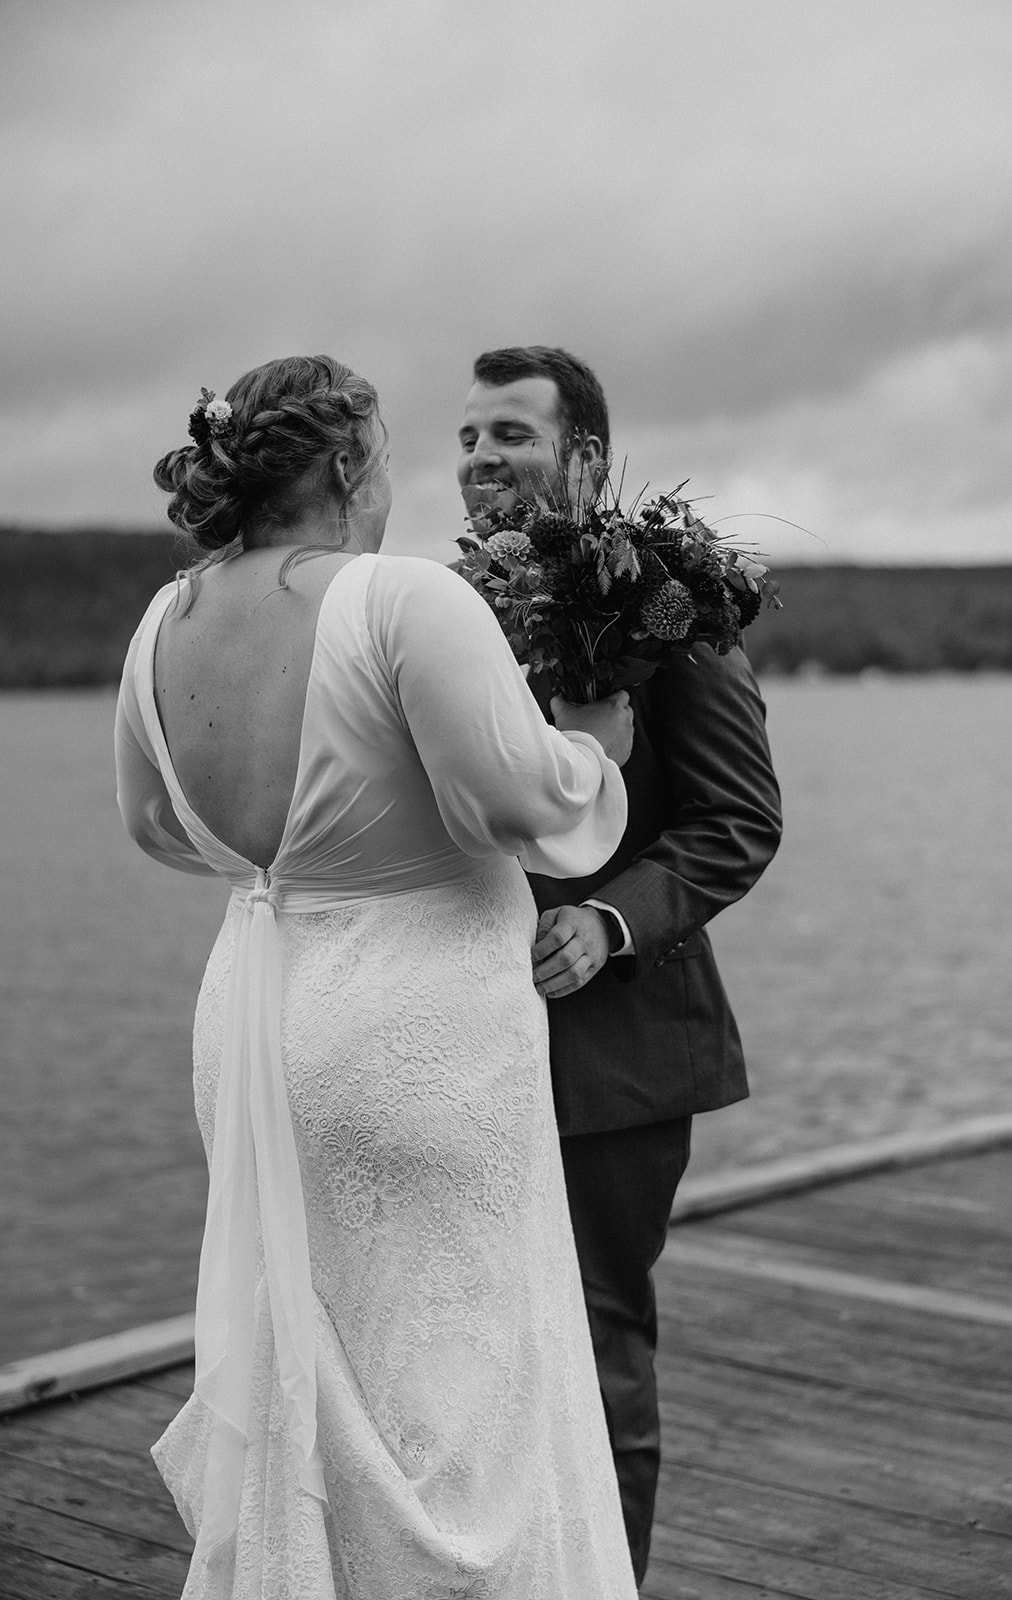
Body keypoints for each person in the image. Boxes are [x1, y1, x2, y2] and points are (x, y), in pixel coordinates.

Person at [115, 354, 642, 1599]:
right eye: (396, 452)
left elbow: (150, 825)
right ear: (350, 464)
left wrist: (294, 867)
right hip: (416, 1031)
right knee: (461, 1394)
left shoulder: (163, 618)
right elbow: (515, 796)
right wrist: (590, 748)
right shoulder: (401, 598)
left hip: (252, 1016)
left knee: (314, 1350)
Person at [457, 345, 783, 1584]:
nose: (482, 459)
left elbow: (737, 820)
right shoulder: (449, 605)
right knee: (478, 1354)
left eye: (512, 436)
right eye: (470, 437)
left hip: (617, 1061)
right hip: (464, 1044)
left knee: (597, 1355)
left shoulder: (663, 607)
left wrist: (605, 921)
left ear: (584, 459)